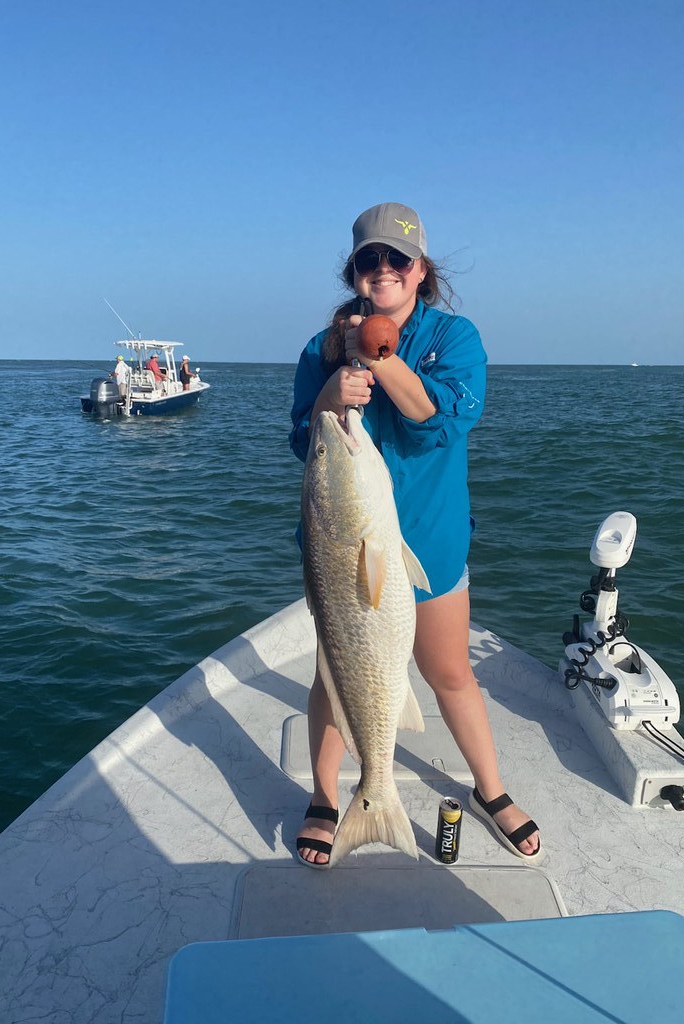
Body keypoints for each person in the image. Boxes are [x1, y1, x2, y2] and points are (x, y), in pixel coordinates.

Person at [289, 202, 542, 868]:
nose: (382, 271)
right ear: (354, 271)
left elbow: (441, 420)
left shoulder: (454, 338)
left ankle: (491, 790)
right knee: (334, 674)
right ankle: (325, 796)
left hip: (427, 543)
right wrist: (330, 392)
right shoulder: (320, 350)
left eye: (396, 260)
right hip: (342, 551)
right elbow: (301, 438)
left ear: (419, 269)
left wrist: (376, 352)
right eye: (368, 260)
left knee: (449, 671)